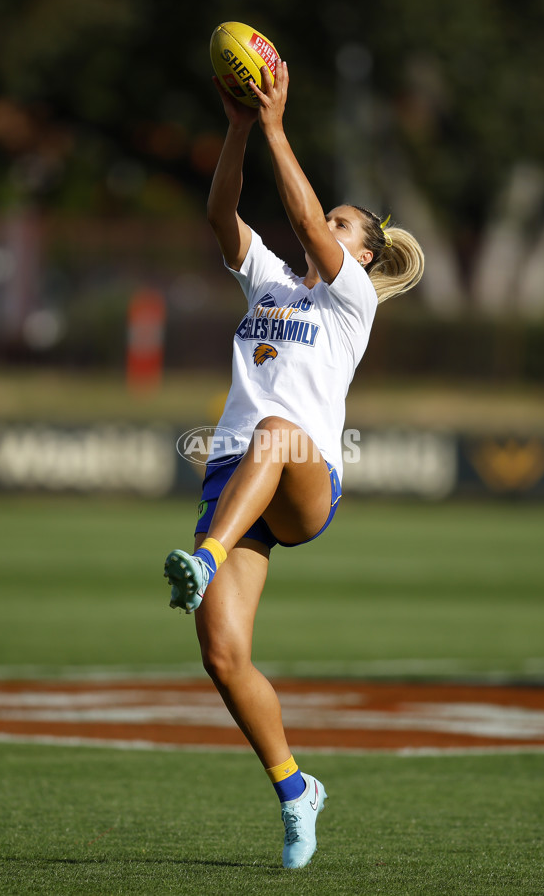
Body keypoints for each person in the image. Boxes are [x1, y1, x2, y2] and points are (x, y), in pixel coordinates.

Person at [164, 60, 424, 869]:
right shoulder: (272, 284)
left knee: (277, 427)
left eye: (344, 224)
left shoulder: (351, 303)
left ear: (365, 256)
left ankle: (203, 559)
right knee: (222, 656)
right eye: (334, 219)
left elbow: (307, 223)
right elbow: (220, 213)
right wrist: (241, 129)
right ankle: (294, 788)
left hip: (302, 481)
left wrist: (278, 123)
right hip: (237, 478)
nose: (326, 225)